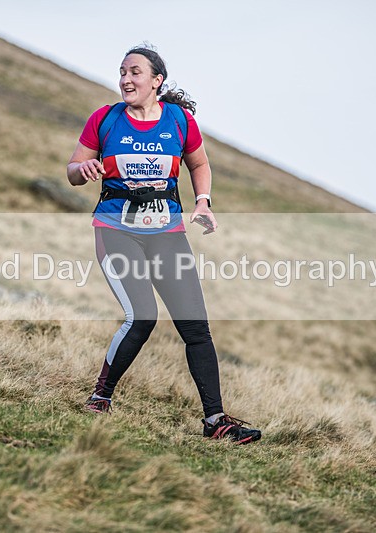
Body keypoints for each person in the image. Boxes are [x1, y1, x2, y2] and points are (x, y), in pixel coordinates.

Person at [66, 45, 261, 444]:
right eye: (122, 71)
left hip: (167, 235)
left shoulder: (179, 120)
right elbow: (72, 170)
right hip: (116, 230)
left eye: (135, 72)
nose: (125, 79)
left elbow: (199, 164)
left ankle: (216, 421)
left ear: (157, 81)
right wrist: (82, 169)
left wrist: (202, 201)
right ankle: (101, 396)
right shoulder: (104, 119)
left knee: (196, 327)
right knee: (142, 316)